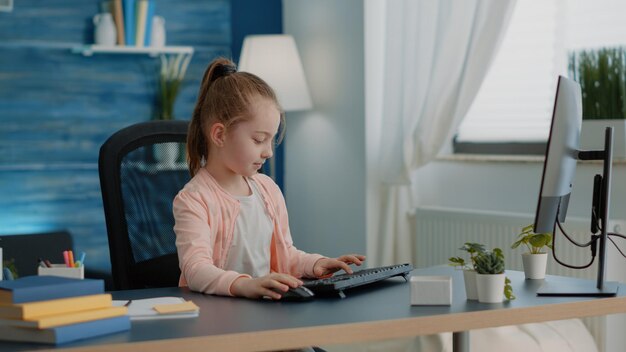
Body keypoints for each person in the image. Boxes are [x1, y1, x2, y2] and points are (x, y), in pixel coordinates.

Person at [173, 57, 365, 300]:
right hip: (218, 321)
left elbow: (287, 255)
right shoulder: (194, 200)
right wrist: (245, 285)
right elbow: (196, 270)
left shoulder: (267, 190)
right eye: (258, 139)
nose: (268, 152)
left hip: (266, 312)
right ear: (219, 134)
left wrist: (317, 264)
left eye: (271, 140)